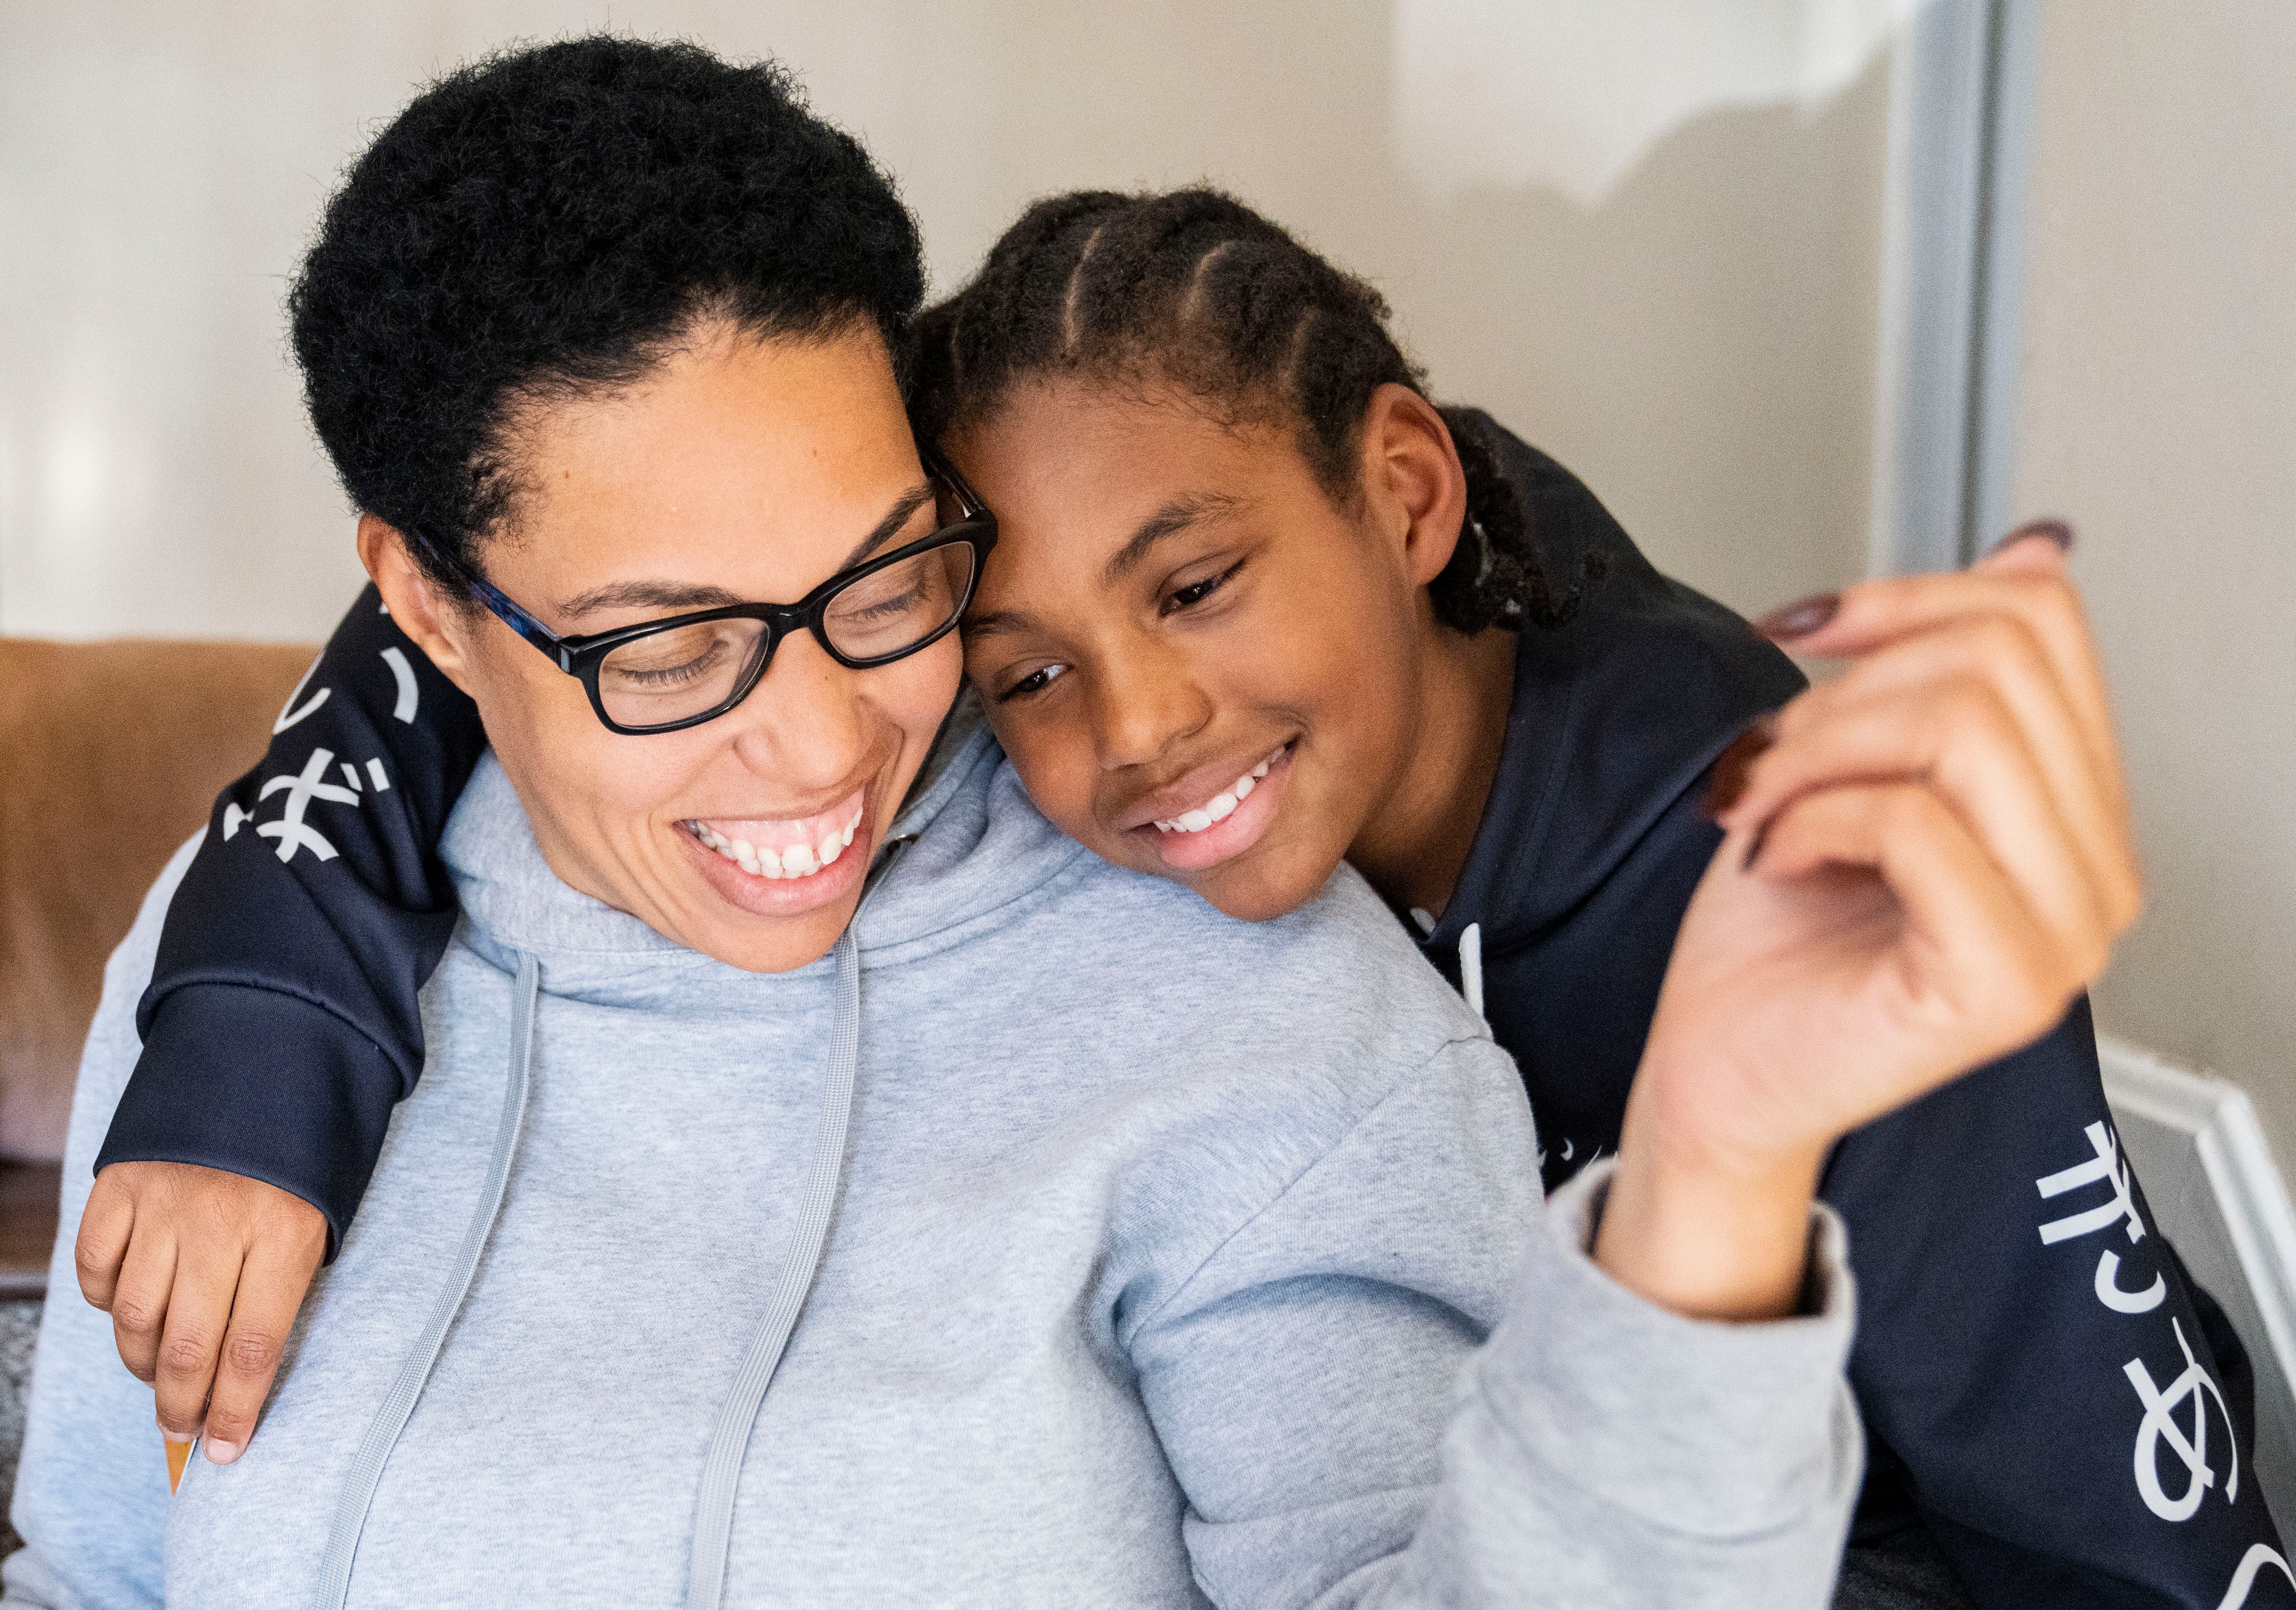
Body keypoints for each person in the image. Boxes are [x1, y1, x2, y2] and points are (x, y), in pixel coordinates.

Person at [46, 39, 2181, 1610]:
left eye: (886, 583)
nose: (812, 745)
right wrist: (250, 979)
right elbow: (96, 1575)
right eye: (666, 641)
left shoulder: (1241, 992)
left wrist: (1712, 1173)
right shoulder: (246, 959)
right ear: (423, 605)